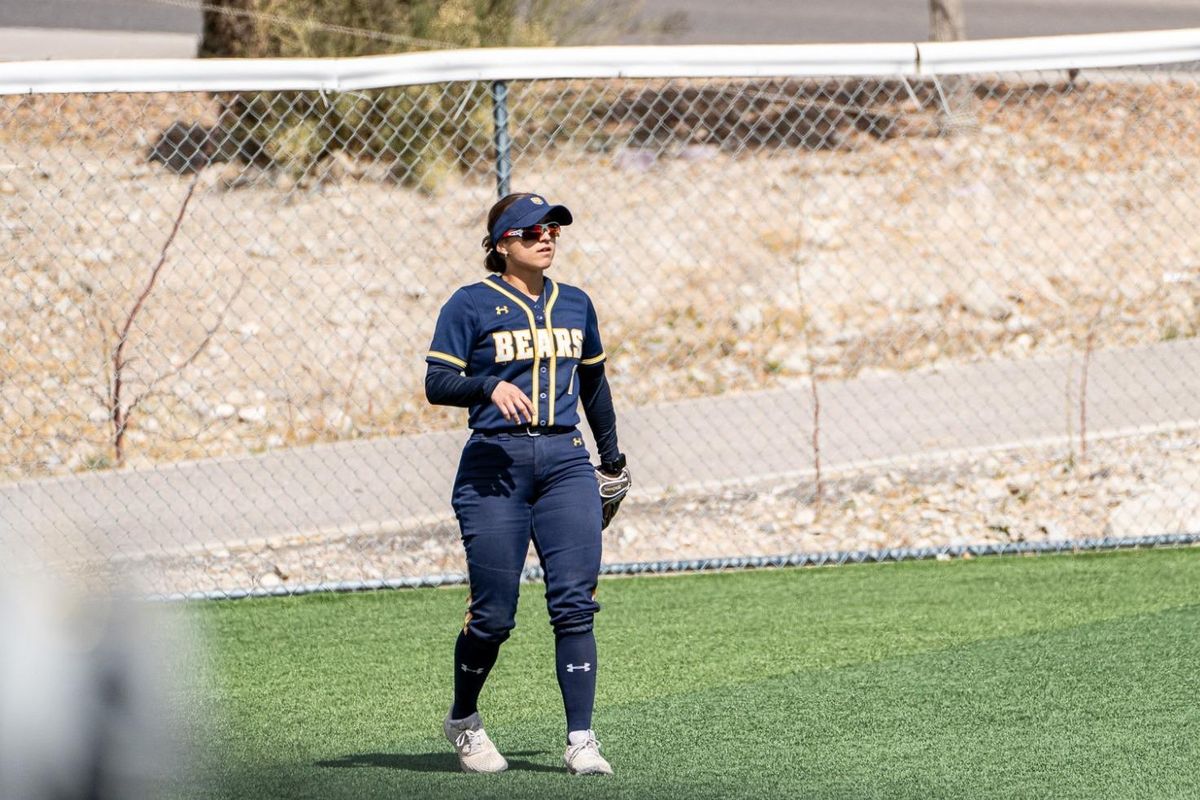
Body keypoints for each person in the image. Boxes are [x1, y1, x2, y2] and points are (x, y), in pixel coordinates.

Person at [424, 192, 628, 776]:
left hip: (565, 461)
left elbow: (594, 387)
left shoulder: (576, 304)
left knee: (574, 604)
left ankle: (582, 740)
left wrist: (610, 461)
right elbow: (438, 381)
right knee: (493, 616)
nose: (548, 237)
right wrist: (487, 385)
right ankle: (464, 719)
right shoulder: (470, 304)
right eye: (533, 229)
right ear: (501, 244)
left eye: (554, 228)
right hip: (494, 465)